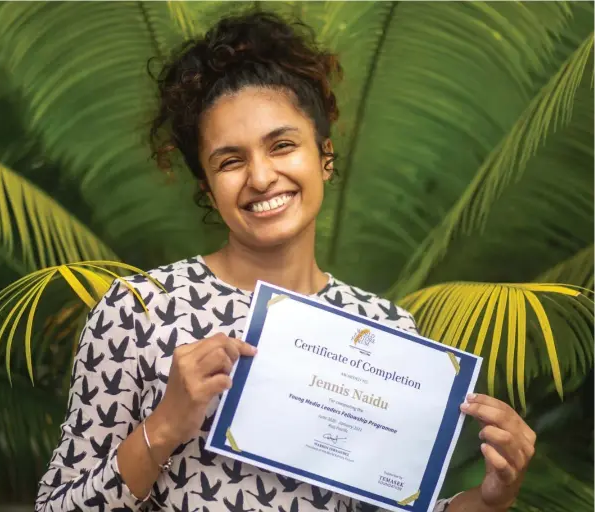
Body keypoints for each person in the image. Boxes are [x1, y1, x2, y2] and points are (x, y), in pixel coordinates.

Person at [35, 9, 536, 512]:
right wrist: (165, 425)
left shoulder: (381, 328)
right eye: (230, 161)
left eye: (282, 146)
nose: (260, 176)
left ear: (325, 156)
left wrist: (490, 499)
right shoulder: (140, 310)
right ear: (208, 190)